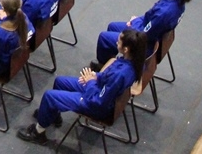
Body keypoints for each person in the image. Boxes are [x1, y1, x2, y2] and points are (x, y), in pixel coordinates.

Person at [17, 28, 147, 145]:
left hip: (96, 105)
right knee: (60, 82)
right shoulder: (131, 61)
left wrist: (90, 81)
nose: (116, 42)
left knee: (49, 96)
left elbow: (99, 101)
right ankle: (52, 115)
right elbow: (108, 77)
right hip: (98, 89)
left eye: (119, 42)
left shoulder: (121, 74)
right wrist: (96, 76)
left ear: (126, 49)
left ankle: (38, 133)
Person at [94, 0, 191, 66]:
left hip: (144, 44)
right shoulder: (179, 2)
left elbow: (144, 34)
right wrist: (136, 20)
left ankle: (102, 66)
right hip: (148, 29)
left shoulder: (164, 13)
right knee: (112, 26)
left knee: (104, 37)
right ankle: (111, 61)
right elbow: (150, 16)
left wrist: (133, 23)